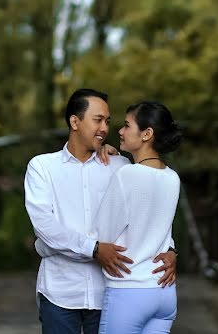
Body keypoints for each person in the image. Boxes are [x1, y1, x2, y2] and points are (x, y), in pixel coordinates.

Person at [25, 89, 177, 334]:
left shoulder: (121, 165)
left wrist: (169, 248)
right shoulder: (42, 167)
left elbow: (147, 214)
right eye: (98, 120)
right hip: (60, 292)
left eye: (108, 121)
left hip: (109, 292)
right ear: (75, 121)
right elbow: (45, 226)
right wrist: (93, 249)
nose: (105, 128)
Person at [95, 101, 183, 334]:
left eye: (126, 126)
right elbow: (162, 230)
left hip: (129, 292)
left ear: (147, 134)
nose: (120, 132)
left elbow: (103, 236)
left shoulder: (127, 175)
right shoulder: (172, 177)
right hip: (164, 292)